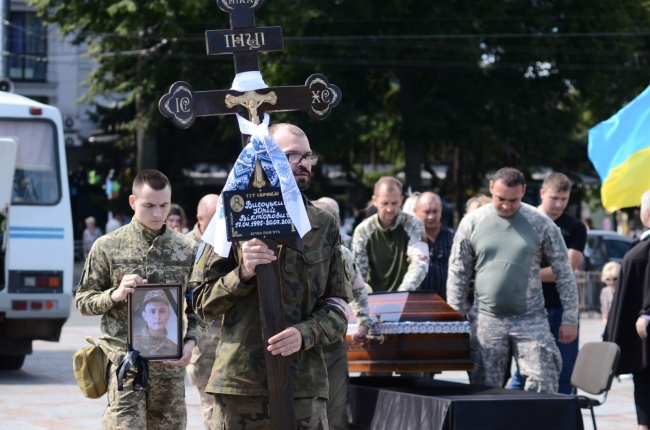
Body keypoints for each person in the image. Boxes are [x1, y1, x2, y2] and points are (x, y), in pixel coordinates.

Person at [191, 123, 352, 429]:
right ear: (264, 160)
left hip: (302, 386)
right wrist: (243, 273)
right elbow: (200, 303)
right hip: (240, 387)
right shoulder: (231, 216)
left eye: (308, 157)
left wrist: (305, 333)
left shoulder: (323, 224)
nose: (304, 163)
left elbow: (338, 308)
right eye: (292, 156)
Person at [75, 169, 207, 429]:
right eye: (149, 205)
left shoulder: (188, 250)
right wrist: (114, 295)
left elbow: (202, 308)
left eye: (164, 205)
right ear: (133, 202)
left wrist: (191, 343)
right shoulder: (107, 246)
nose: (158, 214)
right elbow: (82, 301)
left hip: (169, 369)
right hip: (124, 365)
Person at [447, 167, 578, 394]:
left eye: (513, 200)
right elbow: (458, 273)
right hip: (487, 318)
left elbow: (564, 272)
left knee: (543, 381)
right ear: (491, 189)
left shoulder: (541, 222)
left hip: (530, 317)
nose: (507, 205)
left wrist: (570, 318)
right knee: (484, 387)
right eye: (501, 199)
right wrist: (456, 320)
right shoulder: (472, 223)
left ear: (524, 192)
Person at [509, 172, 586, 394]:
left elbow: (566, 269)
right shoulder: (523, 219)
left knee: (564, 372)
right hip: (529, 307)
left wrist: (526, 274)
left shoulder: (575, 227)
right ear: (542, 193)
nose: (559, 204)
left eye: (564, 198)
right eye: (554, 198)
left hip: (562, 309)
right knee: (523, 371)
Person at [313, 199, 371, 430]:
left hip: (334, 345)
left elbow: (358, 288)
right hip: (304, 345)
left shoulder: (344, 254)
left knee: (336, 410)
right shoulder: (294, 250)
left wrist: (364, 320)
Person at [605, 191, 650, 430]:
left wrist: (647, 312)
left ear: (645, 215)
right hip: (641, 337)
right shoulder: (640, 247)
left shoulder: (641, 250)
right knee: (642, 384)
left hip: (643, 334)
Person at [352, 176, 428, 293]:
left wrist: (402, 293)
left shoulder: (414, 225)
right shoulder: (363, 230)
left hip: (408, 297)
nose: (389, 209)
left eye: (394, 203)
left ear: (401, 200)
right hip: (375, 300)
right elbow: (358, 273)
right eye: (385, 203)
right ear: (375, 201)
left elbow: (420, 263)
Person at [186, 193, 220, 430]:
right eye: (215, 219)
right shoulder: (185, 249)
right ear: (200, 218)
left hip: (230, 342)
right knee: (212, 408)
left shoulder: (229, 244)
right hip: (204, 344)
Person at [413, 192, 454, 299]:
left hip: (447, 306)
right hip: (415, 307)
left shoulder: (453, 238)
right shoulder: (408, 239)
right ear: (416, 212)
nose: (431, 216)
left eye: (435, 212)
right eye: (426, 212)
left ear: (441, 211)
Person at [133, 289, 178, 357]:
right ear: (144, 316)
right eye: (152, 312)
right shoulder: (132, 345)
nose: (157, 317)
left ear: (168, 315)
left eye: (162, 311)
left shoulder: (175, 348)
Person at [600, 261, 621, 325]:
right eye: (608, 279)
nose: (612, 282)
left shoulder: (624, 291)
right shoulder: (605, 291)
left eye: (615, 279)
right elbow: (604, 313)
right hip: (610, 324)